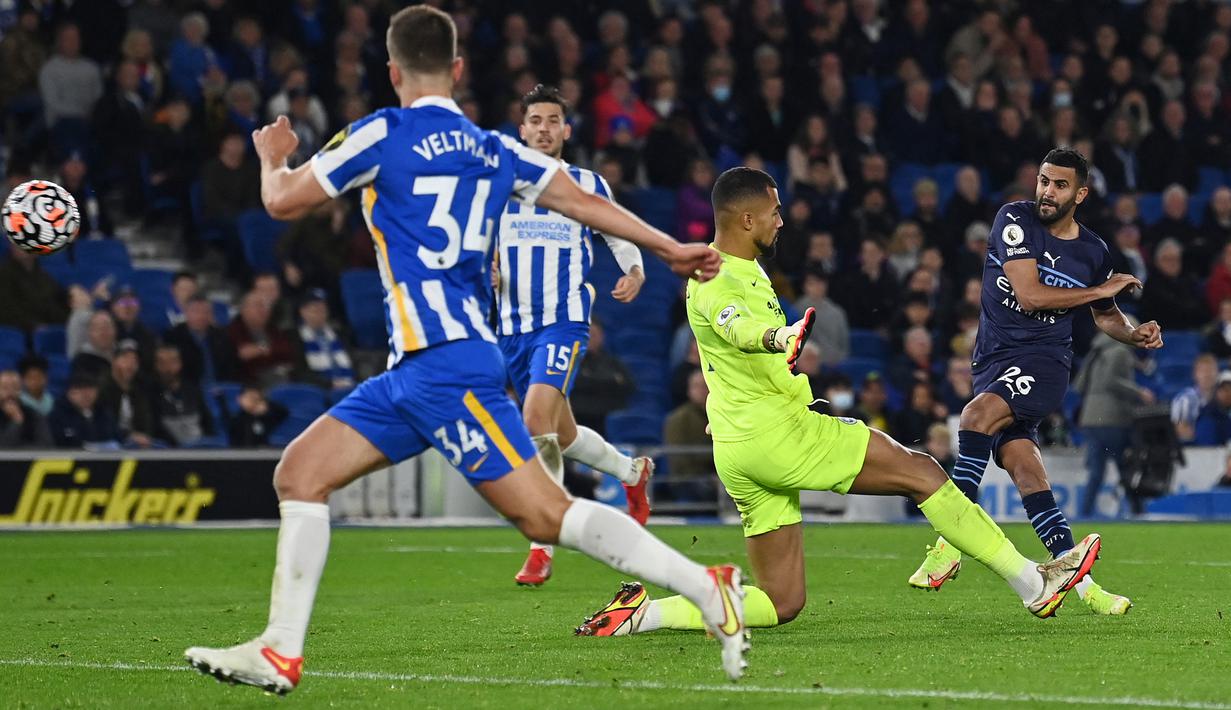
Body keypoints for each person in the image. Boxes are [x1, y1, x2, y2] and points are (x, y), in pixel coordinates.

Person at [185, 7, 745, 695]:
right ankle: (279, 650)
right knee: (300, 473)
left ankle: (703, 584)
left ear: (392, 71)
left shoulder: (379, 134)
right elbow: (579, 200)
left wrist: (274, 156)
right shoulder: (494, 149)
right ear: (456, 69)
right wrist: (667, 248)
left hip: (445, 367)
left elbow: (282, 202)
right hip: (418, 371)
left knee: (544, 514)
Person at [576, 167, 1102, 640]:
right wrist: (778, 339)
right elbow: (736, 328)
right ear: (745, 217)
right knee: (921, 471)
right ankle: (1034, 583)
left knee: (782, 602)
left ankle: (642, 616)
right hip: (779, 435)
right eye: (775, 211)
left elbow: (724, 350)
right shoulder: (717, 279)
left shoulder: (738, 267)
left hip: (740, 449)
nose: (781, 221)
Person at [906, 149, 1160, 615]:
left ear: (1080, 194)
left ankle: (950, 544)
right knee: (1027, 471)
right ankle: (1088, 591)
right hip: (992, 362)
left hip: (1044, 362)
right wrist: (1098, 291)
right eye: (1044, 180)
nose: (1047, 191)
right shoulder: (1014, 220)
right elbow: (1029, 292)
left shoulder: (1092, 251)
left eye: (1060, 185)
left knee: (976, 416)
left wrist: (1132, 333)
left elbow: (1107, 316)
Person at [493, 84, 657, 587]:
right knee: (559, 434)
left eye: (552, 121)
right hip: (512, 327)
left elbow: (618, 232)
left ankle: (541, 545)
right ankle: (633, 474)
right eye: (534, 120)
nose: (543, 129)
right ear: (521, 130)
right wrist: (488, 269)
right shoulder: (498, 184)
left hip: (563, 320)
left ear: (566, 130)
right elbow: (477, 245)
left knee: (535, 418)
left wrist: (633, 270)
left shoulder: (586, 183)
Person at [1073, 328, 1155, 517]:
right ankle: (1138, 512)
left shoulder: (1097, 350)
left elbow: (1079, 385)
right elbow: (1112, 381)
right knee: (1126, 468)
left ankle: (1084, 514)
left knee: (1095, 474)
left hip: (1091, 419)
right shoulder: (1121, 351)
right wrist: (1139, 392)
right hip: (1113, 419)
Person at [150, 344, 216, 447]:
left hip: (199, 450)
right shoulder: (151, 394)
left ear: (180, 363)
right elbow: (155, 429)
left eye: (172, 362)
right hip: (169, 454)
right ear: (156, 366)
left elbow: (207, 423)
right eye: (162, 363)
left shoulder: (193, 390)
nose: (168, 368)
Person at [290, 289, 354, 392]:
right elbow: (301, 372)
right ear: (303, 312)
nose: (320, 314)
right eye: (315, 310)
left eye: (323, 309)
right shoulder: (296, 338)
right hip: (320, 390)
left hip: (350, 385)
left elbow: (353, 362)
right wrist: (328, 384)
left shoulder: (339, 334)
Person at [48, 373, 119, 448]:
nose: (86, 394)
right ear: (69, 393)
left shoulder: (104, 413)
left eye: (90, 389)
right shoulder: (57, 416)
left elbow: (117, 437)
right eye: (80, 389)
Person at [1171, 354, 1218, 443]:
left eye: (1211, 370)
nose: (1207, 375)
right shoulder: (1184, 399)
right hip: (1194, 448)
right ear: (1195, 374)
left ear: (1217, 373)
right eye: (1203, 371)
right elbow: (1180, 431)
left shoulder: (1223, 397)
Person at [0, 368, 53, 447]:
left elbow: (46, 444)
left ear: (21, 391)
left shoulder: (32, 414)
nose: (10, 393)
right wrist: (17, 422)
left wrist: (21, 451)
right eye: (5, 388)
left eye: (15, 388)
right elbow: (3, 446)